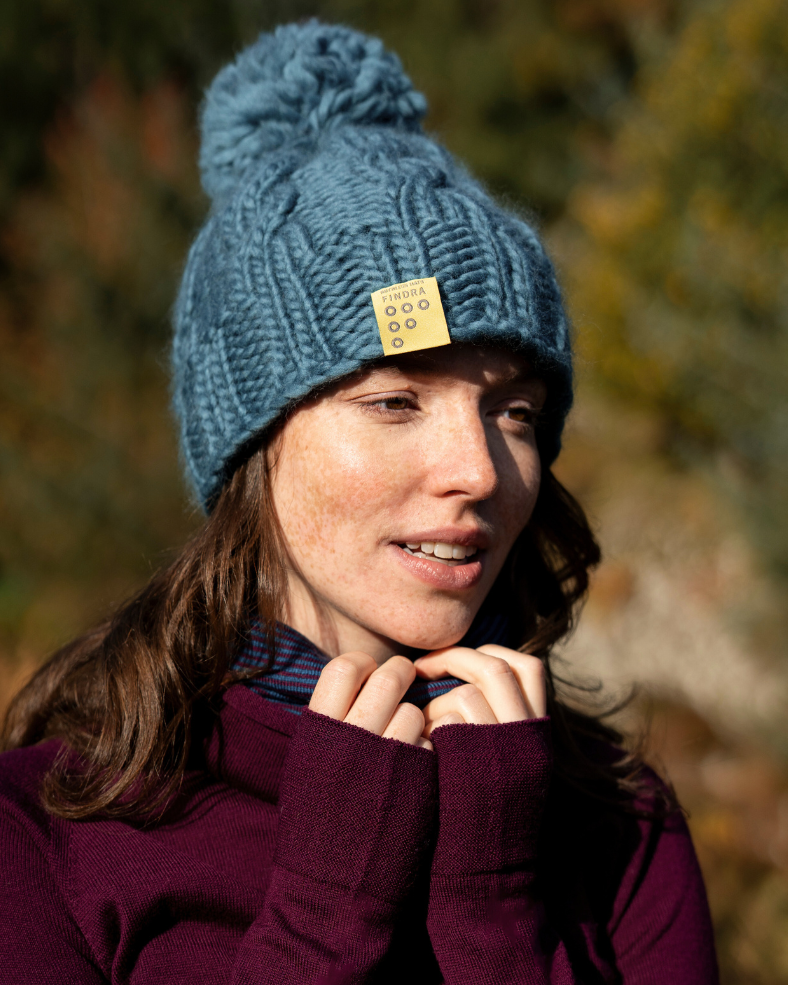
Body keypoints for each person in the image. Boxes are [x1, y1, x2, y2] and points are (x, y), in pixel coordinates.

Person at [0, 20, 719, 985]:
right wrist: (323, 920)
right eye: (393, 400)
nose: (477, 469)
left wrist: (499, 915)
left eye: (514, 410)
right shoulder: (51, 831)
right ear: (253, 447)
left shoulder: (620, 825)